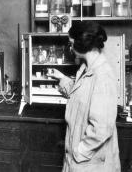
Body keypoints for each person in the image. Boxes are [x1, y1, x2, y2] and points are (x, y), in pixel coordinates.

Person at [48, 21, 120, 172]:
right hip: (80, 160)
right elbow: (80, 96)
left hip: (91, 163)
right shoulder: (86, 68)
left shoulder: (103, 76)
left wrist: (78, 152)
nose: (70, 48)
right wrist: (61, 78)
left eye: (71, 43)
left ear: (81, 44)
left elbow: (101, 129)